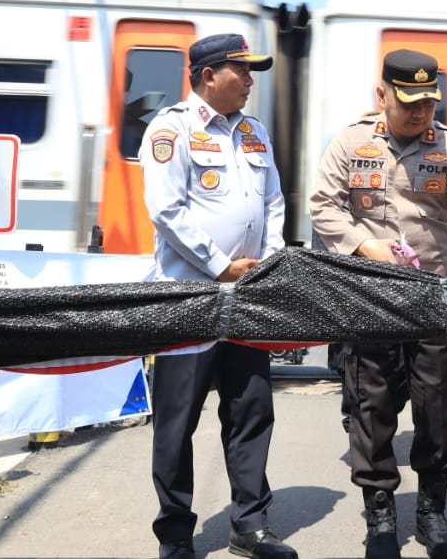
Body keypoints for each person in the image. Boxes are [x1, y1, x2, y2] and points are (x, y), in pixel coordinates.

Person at [310, 48, 447, 559]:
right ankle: (380, 513)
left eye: (428, 103)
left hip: (432, 296)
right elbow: (323, 205)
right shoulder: (350, 142)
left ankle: (432, 510)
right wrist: (361, 244)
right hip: (371, 294)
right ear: (382, 95)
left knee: (435, 404)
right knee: (371, 406)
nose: (420, 113)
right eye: (409, 102)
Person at [139, 34, 296, 559]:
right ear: (209, 76)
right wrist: (220, 266)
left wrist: (268, 262)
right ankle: (175, 535)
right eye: (241, 71)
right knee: (177, 421)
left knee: (250, 411)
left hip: (246, 297)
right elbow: (167, 209)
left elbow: (272, 202)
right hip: (189, 298)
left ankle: (250, 525)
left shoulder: (253, 131)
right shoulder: (171, 129)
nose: (250, 81)